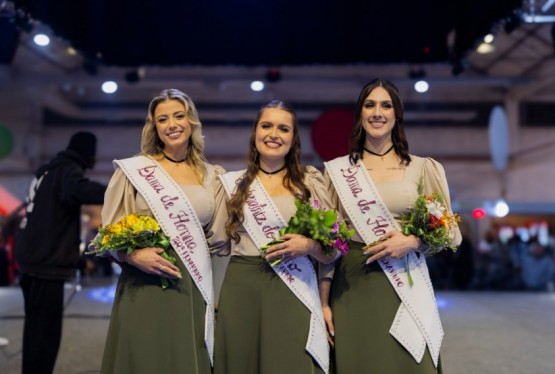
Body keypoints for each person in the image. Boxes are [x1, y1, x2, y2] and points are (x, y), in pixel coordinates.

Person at [320, 78, 462, 373]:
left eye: (386, 105)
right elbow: (328, 244)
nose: (377, 112)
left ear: (397, 114)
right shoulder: (337, 172)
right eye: (369, 105)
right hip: (353, 286)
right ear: (360, 113)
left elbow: (449, 230)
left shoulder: (422, 168)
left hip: (406, 278)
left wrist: (413, 242)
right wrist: (323, 302)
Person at [99, 89, 229, 374]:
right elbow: (107, 233)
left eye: (179, 116)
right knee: (145, 355)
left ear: (191, 121)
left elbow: (219, 240)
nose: (172, 125)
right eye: (163, 119)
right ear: (154, 127)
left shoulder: (211, 175)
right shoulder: (134, 171)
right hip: (144, 281)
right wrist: (131, 256)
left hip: (192, 284)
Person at [214, 100, 337, 374]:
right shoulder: (231, 184)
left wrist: (309, 245)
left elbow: (334, 249)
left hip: (294, 286)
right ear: (255, 132)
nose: (273, 134)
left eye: (283, 129)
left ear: (293, 139)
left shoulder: (310, 183)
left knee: (290, 360)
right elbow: (214, 243)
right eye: (266, 125)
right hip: (241, 286)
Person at [15, 131, 107, 374]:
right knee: (45, 336)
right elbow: (79, 190)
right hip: (46, 266)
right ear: (89, 154)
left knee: (35, 330)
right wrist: (117, 191)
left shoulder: (47, 172)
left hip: (31, 260)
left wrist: (74, 260)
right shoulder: (68, 169)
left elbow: (50, 219)